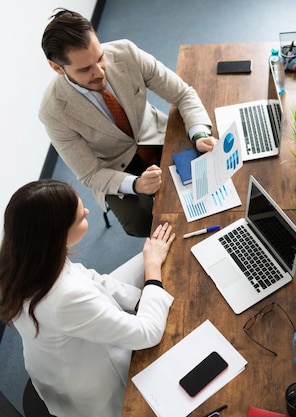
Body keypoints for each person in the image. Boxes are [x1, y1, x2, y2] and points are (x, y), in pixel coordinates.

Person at [0, 179, 176, 417]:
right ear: (58, 235)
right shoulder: (64, 298)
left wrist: (139, 298)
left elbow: (93, 278)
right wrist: (152, 271)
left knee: (149, 260)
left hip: (55, 364)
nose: (88, 212)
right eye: (80, 217)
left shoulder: (28, 259)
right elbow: (147, 333)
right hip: (97, 396)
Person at [39, 9, 218, 237]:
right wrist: (136, 185)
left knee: (206, 176)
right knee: (142, 223)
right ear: (56, 67)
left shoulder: (126, 52)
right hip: (113, 166)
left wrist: (199, 134)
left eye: (100, 57)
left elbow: (183, 94)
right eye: (85, 69)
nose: (100, 72)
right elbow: (90, 174)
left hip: (152, 134)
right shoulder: (53, 111)